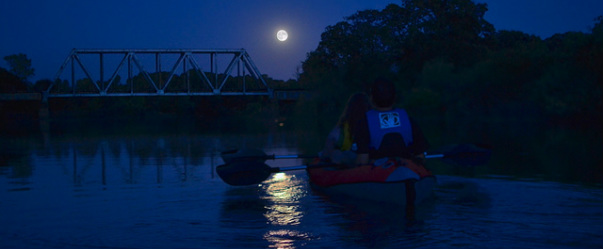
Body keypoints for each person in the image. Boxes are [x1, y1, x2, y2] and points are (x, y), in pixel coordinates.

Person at [355, 78, 429, 165]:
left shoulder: (364, 123)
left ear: (372, 98)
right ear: (394, 98)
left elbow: (362, 162)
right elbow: (420, 158)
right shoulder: (409, 120)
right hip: (406, 171)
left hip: (378, 173)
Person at [321, 92, 370, 165]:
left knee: (336, 153)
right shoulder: (373, 123)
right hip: (363, 162)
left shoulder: (340, 129)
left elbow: (326, 152)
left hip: (353, 162)